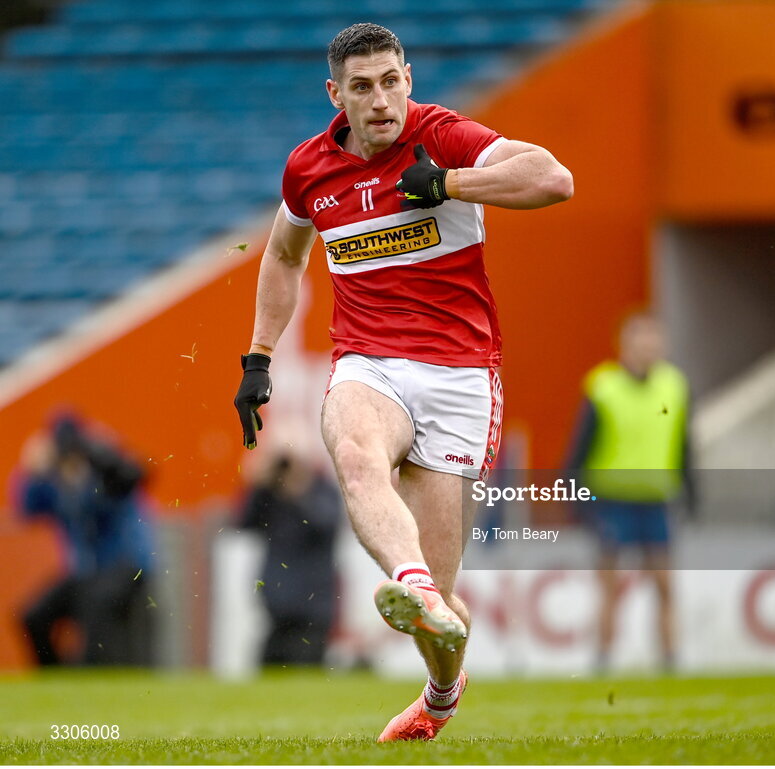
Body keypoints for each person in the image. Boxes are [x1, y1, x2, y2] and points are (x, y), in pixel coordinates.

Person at [233, 23, 572, 741]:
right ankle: (410, 582)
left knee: (443, 610)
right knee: (356, 453)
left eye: (391, 81)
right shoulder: (309, 169)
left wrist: (449, 183)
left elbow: (553, 178)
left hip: (459, 374)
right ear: (337, 95)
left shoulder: (442, 137)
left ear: (408, 80)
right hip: (368, 361)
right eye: (362, 86)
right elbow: (284, 256)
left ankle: (441, 690)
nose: (380, 99)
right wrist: (259, 357)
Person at [566, 312, 695, 672]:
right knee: (611, 587)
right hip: (612, 501)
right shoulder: (603, 387)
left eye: (655, 340)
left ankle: (670, 660)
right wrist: (577, 501)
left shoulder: (675, 386)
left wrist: (692, 492)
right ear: (625, 345)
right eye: (642, 340)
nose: (649, 347)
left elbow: (685, 445)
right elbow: (579, 449)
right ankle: (603, 660)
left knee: (665, 586)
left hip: (656, 500)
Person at [19, 416, 154, 666]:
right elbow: (28, 508)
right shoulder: (57, 483)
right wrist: (31, 471)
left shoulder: (106, 471)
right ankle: (55, 678)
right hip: (86, 573)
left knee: (95, 603)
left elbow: (134, 477)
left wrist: (102, 457)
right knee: (32, 617)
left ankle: (90, 668)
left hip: (125, 566)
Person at [239, 450, 342, 666]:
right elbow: (243, 523)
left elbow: (324, 524)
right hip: (279, 601)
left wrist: (299, 492)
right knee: (272, 669)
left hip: (315, 601)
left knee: (308, 667)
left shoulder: (323, 490)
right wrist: (258, 485)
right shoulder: (270, 494)